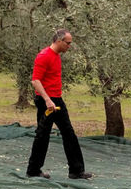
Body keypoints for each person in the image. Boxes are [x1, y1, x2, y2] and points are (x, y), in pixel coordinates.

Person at [26, 29, 92, 180]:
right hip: (46, 102)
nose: (69, 46)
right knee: (42, 135)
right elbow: (35, 80)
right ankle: (33, 170)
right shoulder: (44, 56)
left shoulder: (56, 56)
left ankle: (76, 171)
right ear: (59, 41)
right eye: (68, 43)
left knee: (69, 133)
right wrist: (47, 100)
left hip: (57, 100)